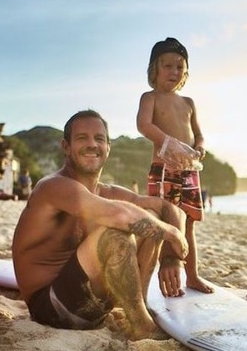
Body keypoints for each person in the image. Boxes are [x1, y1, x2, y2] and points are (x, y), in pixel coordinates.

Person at [12, 110, 190, 341]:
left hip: (95, 305)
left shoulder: (108, 191)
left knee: (150, 215)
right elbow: (119, 215)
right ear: (66, 147)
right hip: (51, 309)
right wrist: (172, 233)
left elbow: (170, 209)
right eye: (82, 138)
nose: (92, 144)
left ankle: (140, 307)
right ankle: (142, 326)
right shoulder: (54, 186)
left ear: (108, 147)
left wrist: (171, 257)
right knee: (118, 229)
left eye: (99, 138)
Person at [136, 37, 211, 293]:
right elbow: (144, 125)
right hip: (164, 170)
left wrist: (199, 147)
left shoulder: (188, 103)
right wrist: (169, 143)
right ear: (154, 70)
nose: (174, 71)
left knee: (188, 224)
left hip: (189, 172)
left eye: (179, 67)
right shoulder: (151, 97)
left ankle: (192, 276)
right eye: (167, 66)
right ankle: (146, 278)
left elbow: (199, 134)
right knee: (161, 223)